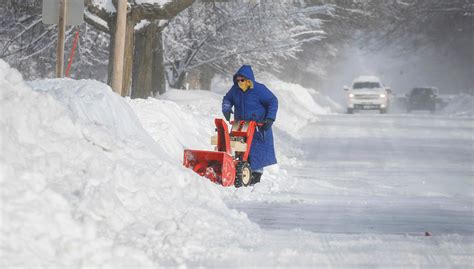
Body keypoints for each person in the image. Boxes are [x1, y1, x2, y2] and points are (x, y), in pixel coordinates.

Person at [222, 65, 278, 185]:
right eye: (237, 80)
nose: (240, 82)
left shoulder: (259, 89)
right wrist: (226, 108)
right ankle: (236, 172)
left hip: (258, 125)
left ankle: (255, 177)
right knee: (237, 147)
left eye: (242, 80)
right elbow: (227, 99)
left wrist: (270, 119)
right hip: (240, 124)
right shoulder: (235, 89)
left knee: (256, 151)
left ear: (248, 79)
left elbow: (273, 101)